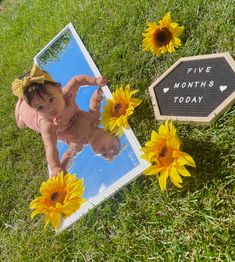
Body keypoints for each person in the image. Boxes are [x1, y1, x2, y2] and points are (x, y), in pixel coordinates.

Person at [12, 64, 121, 177]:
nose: (49, 109)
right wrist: (54, 167)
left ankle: (23, 100)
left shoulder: (77, 142)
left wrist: (98, 85)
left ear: (59, 89)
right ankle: (20, 104)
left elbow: (82, 85)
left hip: (36, 104)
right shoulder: (48, 124)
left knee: (33, 103)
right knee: (21, 123)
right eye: (40, 108)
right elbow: (50, 146)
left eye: (51, 100)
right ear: (110, 131)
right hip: (29, 115)